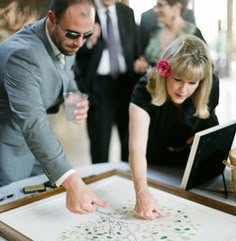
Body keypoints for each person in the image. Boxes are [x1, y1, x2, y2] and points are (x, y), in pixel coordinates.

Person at [0, 0, 108, 214]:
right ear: (52, 19)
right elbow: (33, 124)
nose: (79, 43)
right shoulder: (22, 55)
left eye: (86, 36)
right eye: (73, 35)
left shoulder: (67, 37)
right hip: (8, 151)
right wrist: (74, 182)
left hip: (39, 152)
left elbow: (66, 75)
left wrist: (75, 96)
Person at [129, 35, 219, 220]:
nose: (184, 89)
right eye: (178, 79)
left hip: (189, 167)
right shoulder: (144, 89)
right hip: (153, 163)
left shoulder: (210, 86)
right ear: (165, 71)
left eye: (192, 83)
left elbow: (212, 127)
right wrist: (142, 191)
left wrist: (202, 138)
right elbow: (137, 148)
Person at [75, 0, 140, 163]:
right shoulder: (83, 11)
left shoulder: (127, 13)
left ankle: (128, 182)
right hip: (98, 87)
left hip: (126, 85)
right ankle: (99, 184)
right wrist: (89, 41)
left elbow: (135, 45)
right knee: (99, 145)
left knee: (129, 142)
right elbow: (73, 50)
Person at [134, 0, 206, 75]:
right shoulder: (154, 31)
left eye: (160, 5)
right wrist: (142, 65)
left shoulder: (194, 35)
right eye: (156, 5)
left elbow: (204, 69)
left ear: (177, 7)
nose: (155, 10)